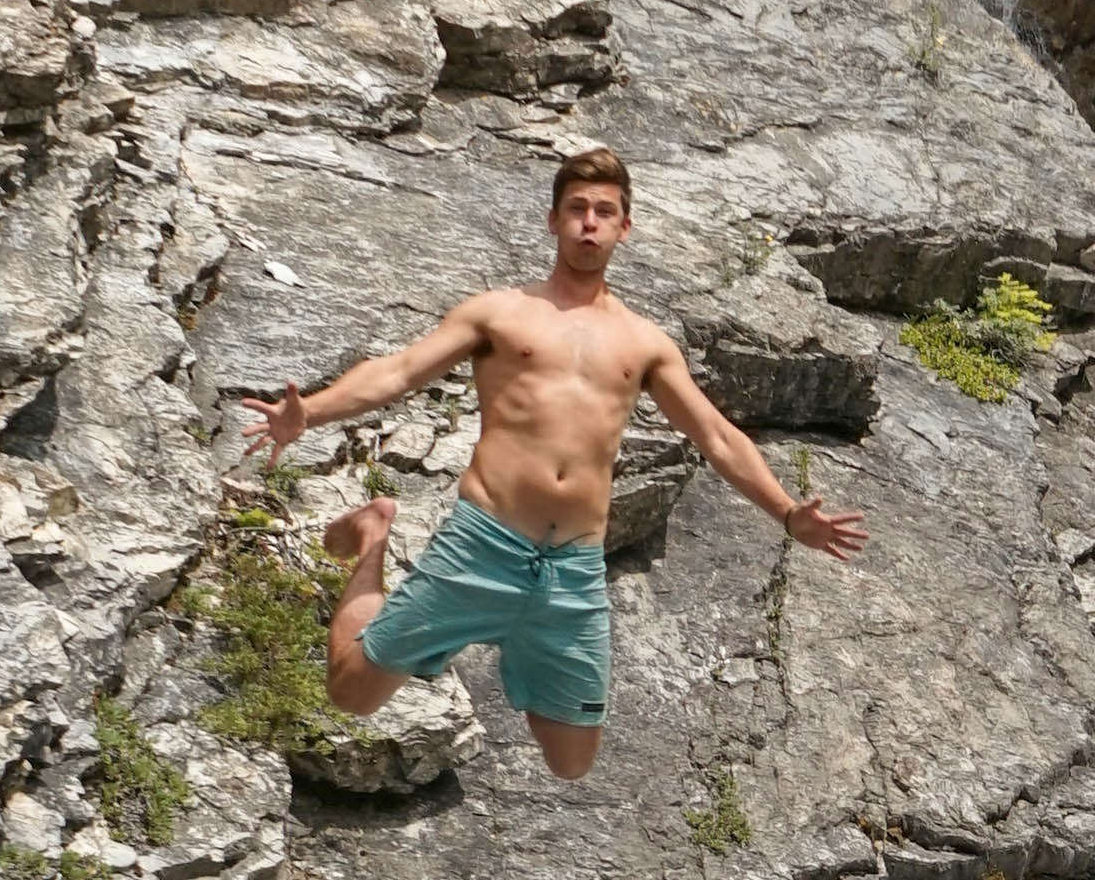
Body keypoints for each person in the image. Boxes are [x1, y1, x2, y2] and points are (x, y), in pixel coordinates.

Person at [247, 146, 865, 783]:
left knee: (572, 763)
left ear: (625, 227)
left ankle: (516, 640)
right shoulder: (499, 313)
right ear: (553, 220)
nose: (589, 222)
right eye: (577, 209)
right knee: (351, 693)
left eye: (604, 211)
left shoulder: (645, 343)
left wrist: (789, 513)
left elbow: (717, 435)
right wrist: (309, 414)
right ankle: (374, 537)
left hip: (571, 571)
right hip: (482, 546)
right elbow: (399, 371)